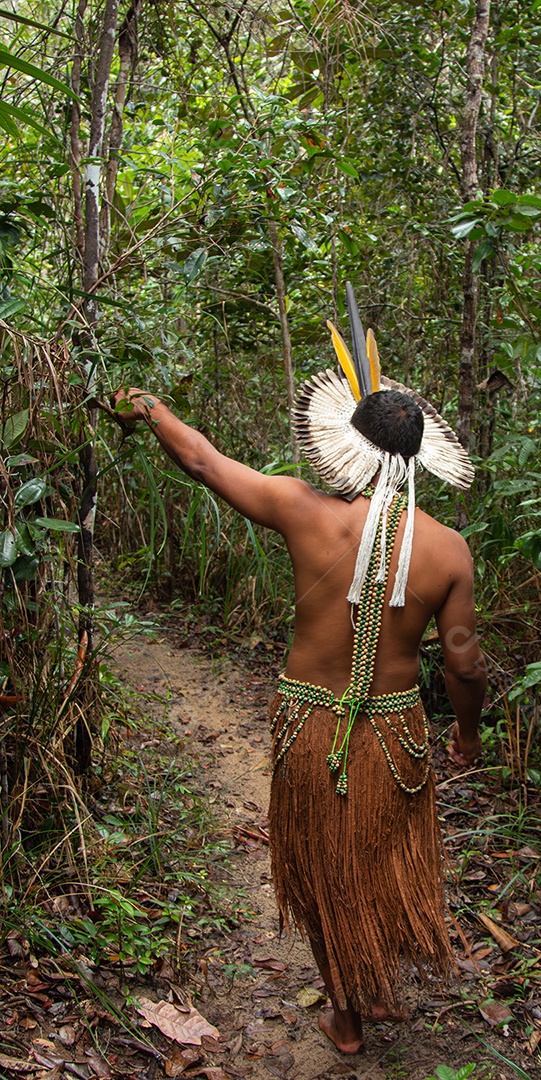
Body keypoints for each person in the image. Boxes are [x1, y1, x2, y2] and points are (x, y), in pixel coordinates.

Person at [112, 287, 487, 1055]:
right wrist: (470, 736)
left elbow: (202, 460)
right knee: (379, 853)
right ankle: (370, 980)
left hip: (310, 725)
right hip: (397, 735)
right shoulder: (449, 550)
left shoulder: (300, 508)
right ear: (417, 459)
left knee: (322, 861)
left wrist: (148, 406)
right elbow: (464, 663)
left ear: (346, 445)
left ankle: (347, 1009)